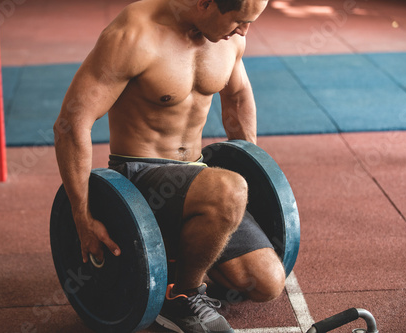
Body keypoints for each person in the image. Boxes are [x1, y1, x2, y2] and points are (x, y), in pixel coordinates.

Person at [54, 0, 286, 332]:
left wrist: (254, 172)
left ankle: (181, 254)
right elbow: (71, 122)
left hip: (196, 173)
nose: (244, 30)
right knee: (229, 189)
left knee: (266, 283)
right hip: (139, 177)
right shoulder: (134, 35)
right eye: (238, 20)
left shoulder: (228, 37)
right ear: (205, 4)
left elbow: (237, 96)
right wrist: (82, 215)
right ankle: (182, 296)